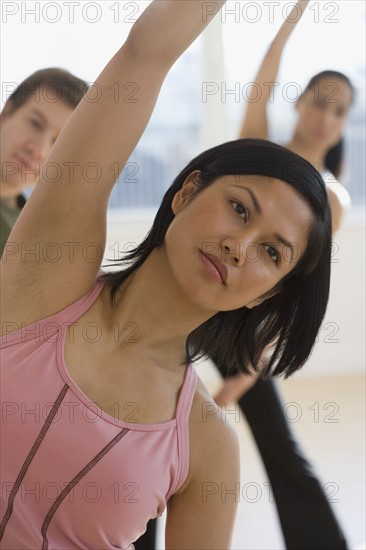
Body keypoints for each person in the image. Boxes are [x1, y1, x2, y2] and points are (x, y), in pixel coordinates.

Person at [1, 1, 333, 548]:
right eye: (240, 209)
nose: (238, 246)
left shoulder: (206, 449)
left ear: (268, 293)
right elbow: (144, 55)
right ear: (185, 192)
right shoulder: (50, 274)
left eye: (272, 254)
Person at [213, 1, 352, 547]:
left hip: (248, 324)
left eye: (340, 112)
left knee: (278, 443)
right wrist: (292, 19)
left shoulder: (332, 201)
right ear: (299, 102)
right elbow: (261, 83)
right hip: (197, 292)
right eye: (320, 102)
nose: (326, 117)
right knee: (149, 423)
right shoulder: (264, 150)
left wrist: (252, 368)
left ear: (345, 125)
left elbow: (291, 290)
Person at [0, 67, 88, 255]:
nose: (40, 151)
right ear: (6, 114)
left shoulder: (35, 237)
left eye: (58, 143)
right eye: (35, 124)